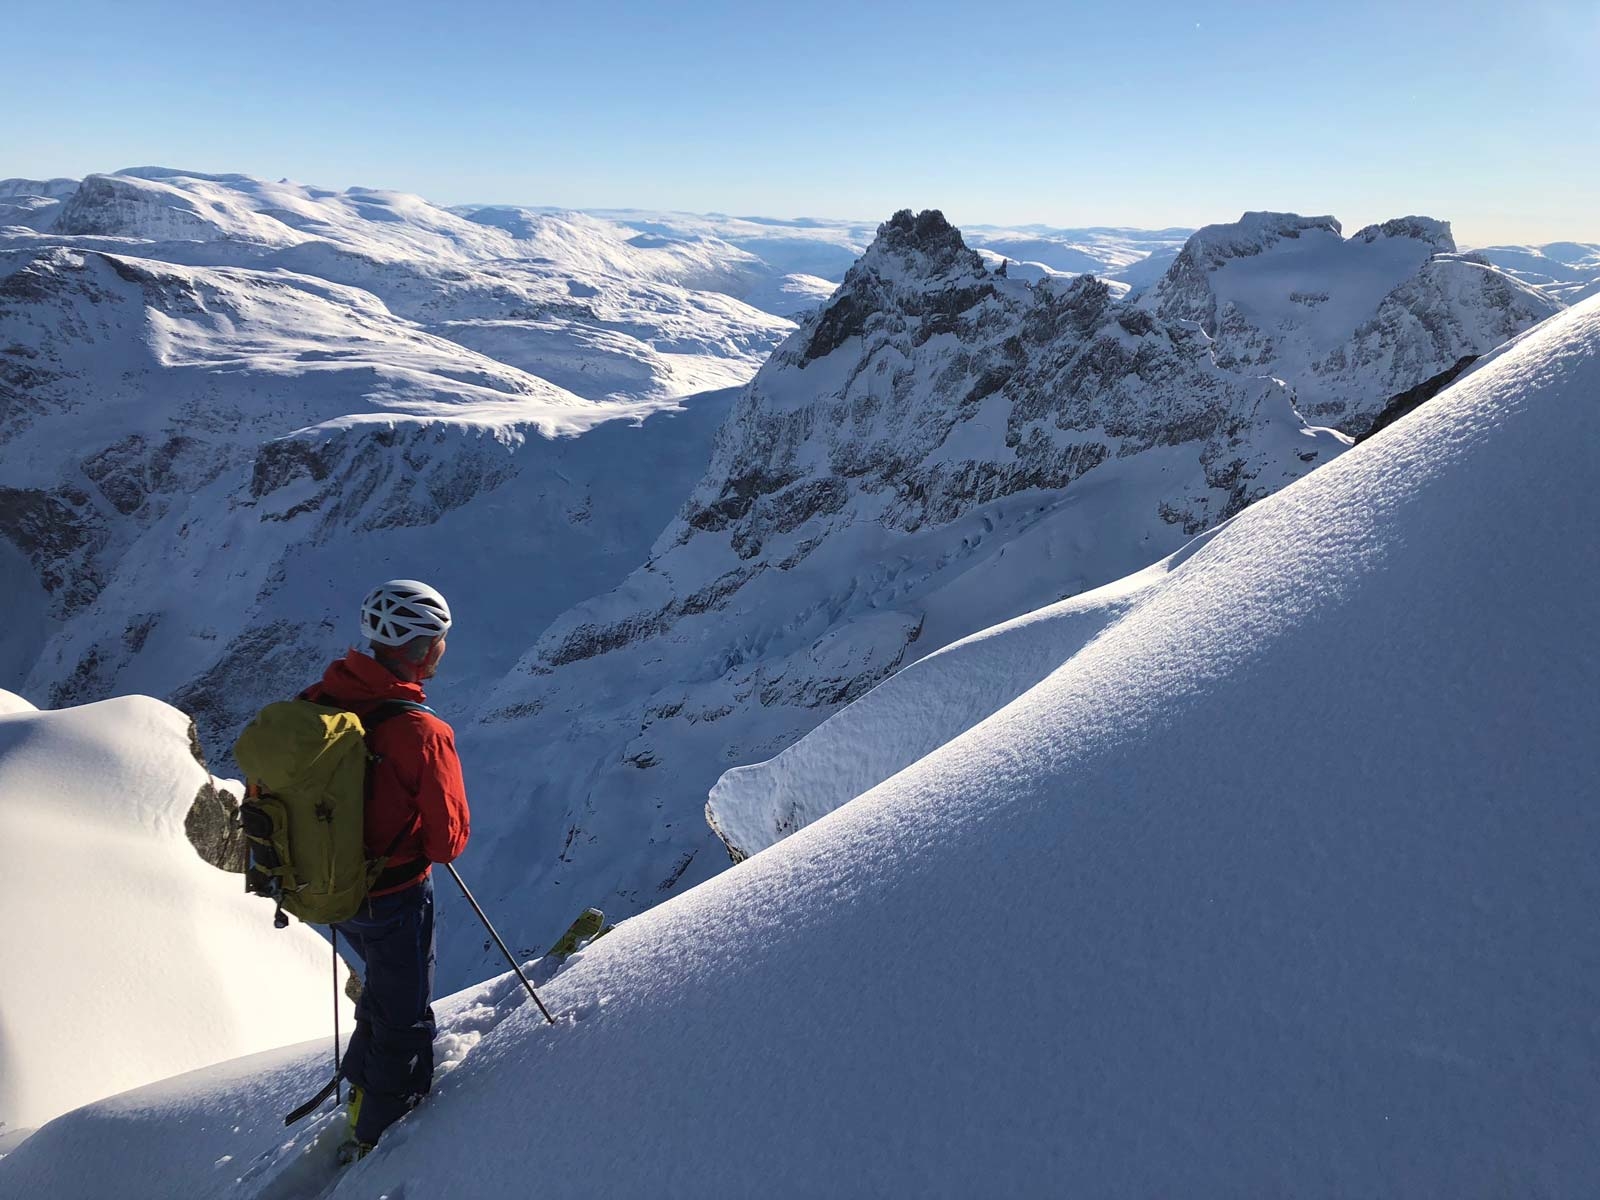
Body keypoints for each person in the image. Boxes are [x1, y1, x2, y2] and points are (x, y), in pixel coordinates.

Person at [301, 579, 470, 1160]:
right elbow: (448, 842)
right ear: (425, 648)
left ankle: (363, 1081)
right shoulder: (422, 732)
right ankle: (380, 1126)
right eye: (441, 640)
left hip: (327, 887)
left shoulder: (315, 703)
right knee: (403, 1010)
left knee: (382, 985)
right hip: (394, 895)